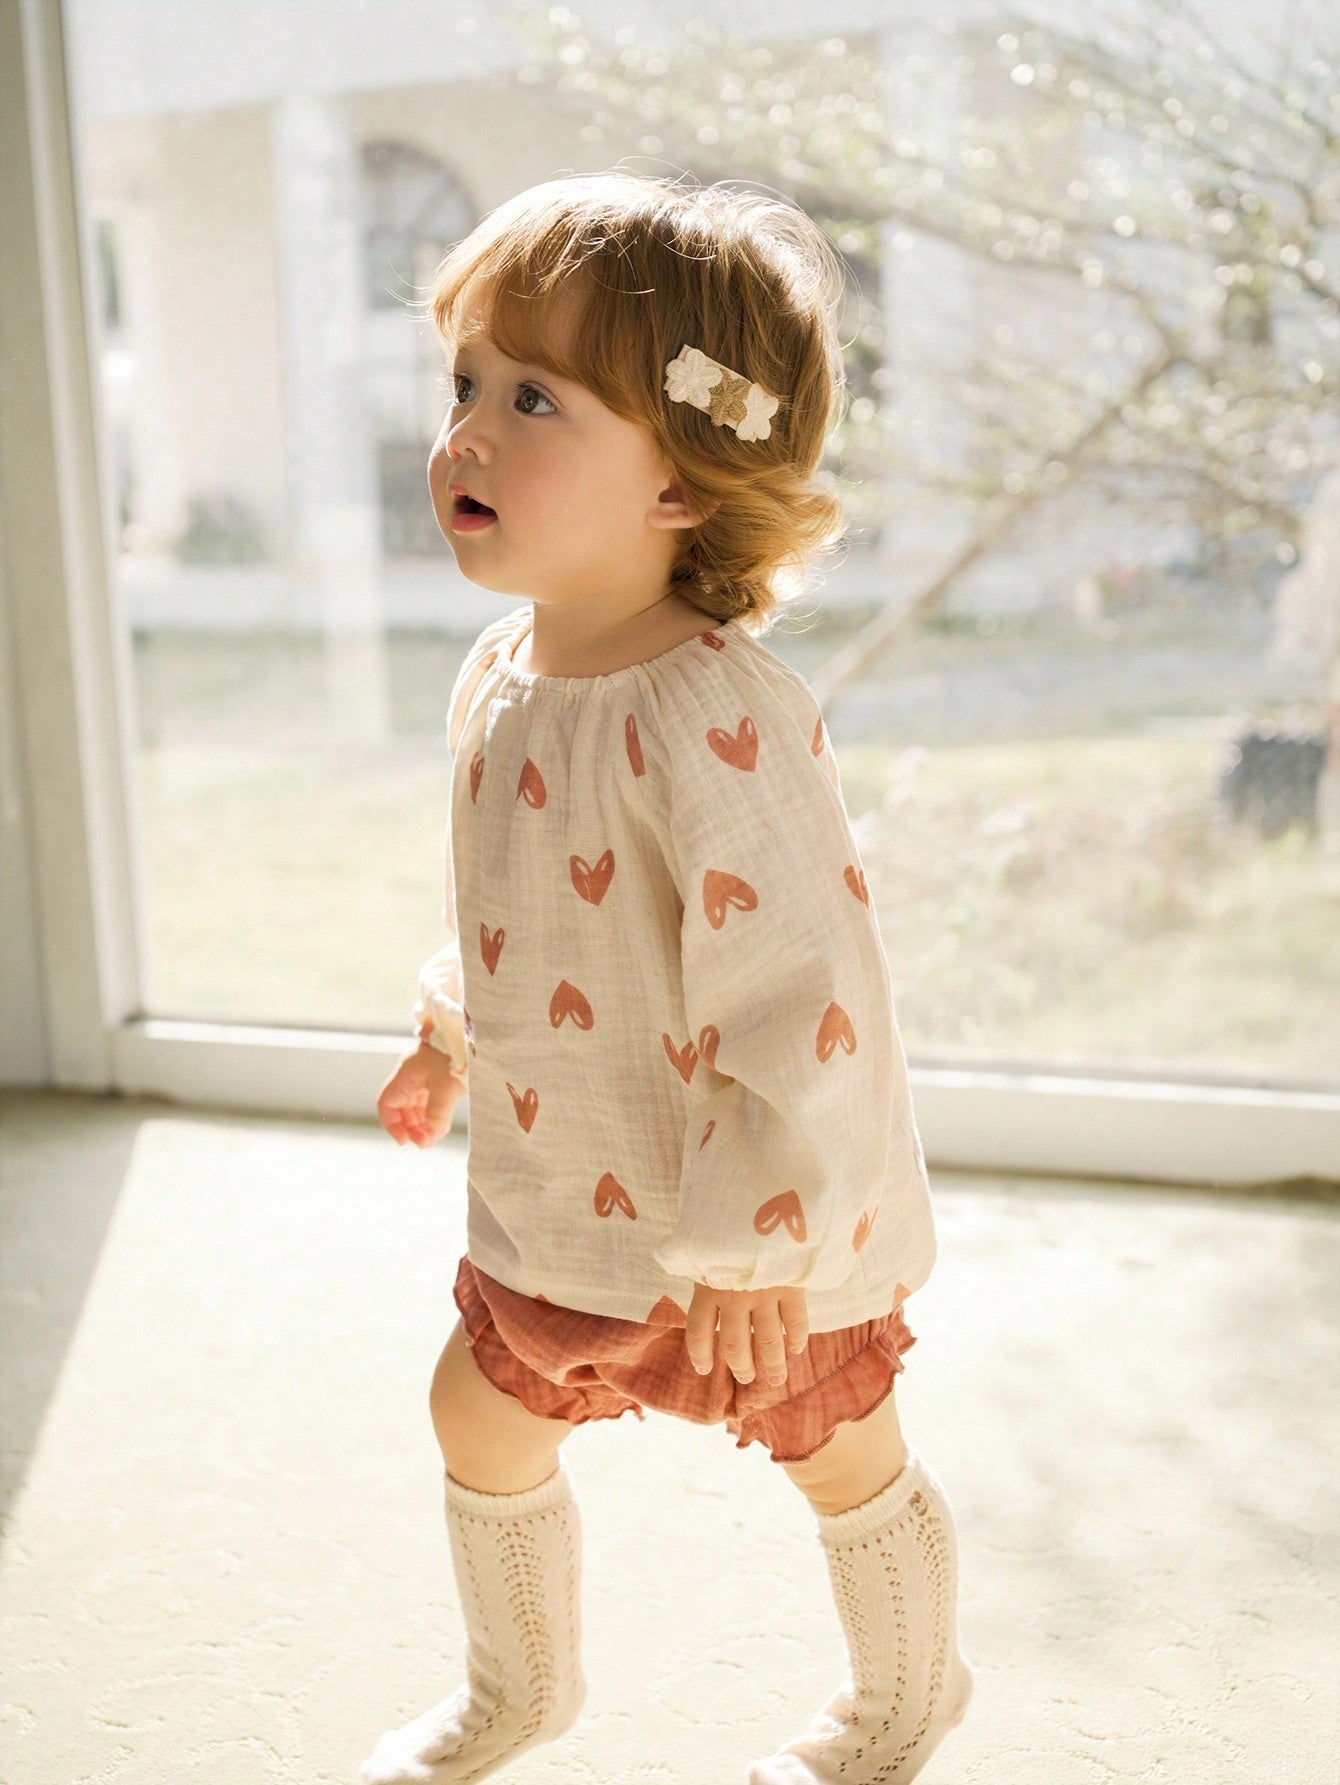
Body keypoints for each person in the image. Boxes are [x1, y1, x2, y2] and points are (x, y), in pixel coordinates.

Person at [363, 169, 973, 1785]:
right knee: (479, 1412)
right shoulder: (500, 676)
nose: (467, 433)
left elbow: (801, 991)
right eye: (467, 382)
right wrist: (447, 1031)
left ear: (683, 483)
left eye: (535, 399)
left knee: (840, 1452)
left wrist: (762, 1234)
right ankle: (520, 1686)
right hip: (571, 1180)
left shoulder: (718, 717)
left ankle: (908, 1692)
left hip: (750, 1227)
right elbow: (509, 908)